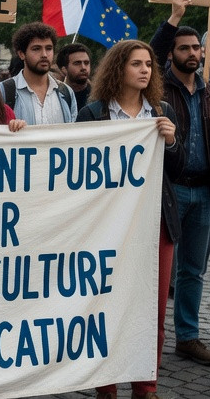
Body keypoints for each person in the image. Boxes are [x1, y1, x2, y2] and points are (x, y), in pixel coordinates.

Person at [76, 39, 182, 399]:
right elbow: (78, 171)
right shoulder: (93, 114)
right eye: (136, 64)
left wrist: (171, 142)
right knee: (107, 304)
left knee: (153, 308)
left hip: (157, 224)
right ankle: (106, 386)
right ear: (118, 68)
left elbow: (179, 168)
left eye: (148, 65)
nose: (145, 70)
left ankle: (145, 386)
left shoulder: (162, 111)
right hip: (109, 226)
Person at [150, 2, 210, 367]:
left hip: (205, 191)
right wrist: (174, 17)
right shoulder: (158, 88)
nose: (193, 53)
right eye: (184, 48)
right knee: (156, 267)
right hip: (169, 188)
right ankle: (148, 339)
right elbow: (151, 53)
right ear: (172, 54)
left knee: (193, 269)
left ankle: (188, 336)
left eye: (197, 48)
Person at [2, 22, 77, 124]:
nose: (44, 55)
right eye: (36, 49)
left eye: (49, 48)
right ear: (21, 54)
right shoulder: (3, 92)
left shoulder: (66, 92)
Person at [56, 43, 93, 109]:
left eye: (86, 63)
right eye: (77, 63)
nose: (83, 67)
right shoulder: (55, 97)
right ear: (64, 69)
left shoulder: (99, 97)